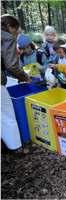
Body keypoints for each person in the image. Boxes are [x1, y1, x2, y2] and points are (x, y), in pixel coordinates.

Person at [1, 14, 30, 150]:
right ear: (9, 27)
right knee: (7, 115)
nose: (15, 34)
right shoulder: (6, 37)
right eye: (15, 30)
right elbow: (12, 66)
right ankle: (16, 147)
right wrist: (25, 77)